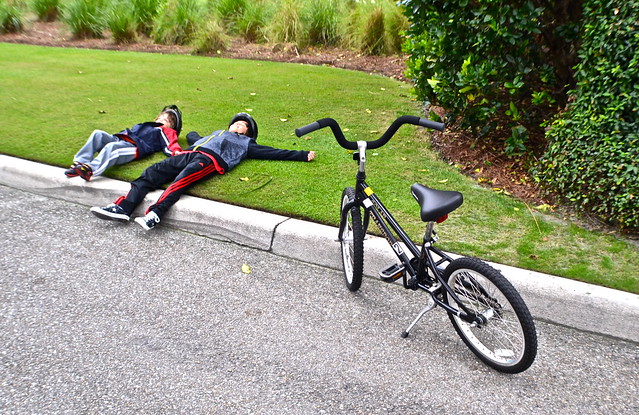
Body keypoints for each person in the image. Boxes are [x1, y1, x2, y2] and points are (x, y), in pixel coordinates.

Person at [90, 112, 316, 230]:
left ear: (248, 133)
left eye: (242, 125)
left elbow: (273, 152)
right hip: (187, 154)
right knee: (150, 173)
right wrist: (192, 136)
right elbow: (194, 137)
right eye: (235, 123)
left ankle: (155, 214)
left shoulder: (246, 144)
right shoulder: (216, 133)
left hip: (208, 161)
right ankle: (123, 207)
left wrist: (301, 154)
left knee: (179, 183)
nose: (237, 126)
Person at [65, 105, 183, 181]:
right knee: (98, 134)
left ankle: (90, 169)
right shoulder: (146, 125)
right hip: (121, 139)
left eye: (166, 120)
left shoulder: (166, 131)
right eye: (160, 118)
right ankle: (79, 163)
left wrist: (176, 152)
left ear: (172, 127)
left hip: (134, 147)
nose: (161, 120)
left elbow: (170, 143)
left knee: (113, 148)